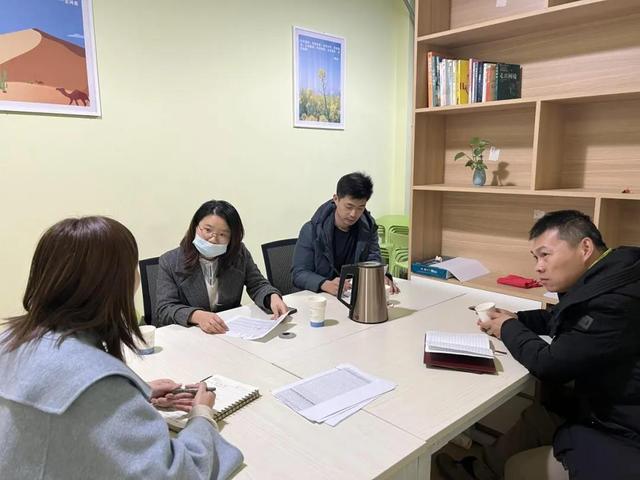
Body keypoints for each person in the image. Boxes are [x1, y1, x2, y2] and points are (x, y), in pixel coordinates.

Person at [0, 216, 243, 479]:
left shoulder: (9, 339)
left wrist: (132, 394)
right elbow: (176, 473)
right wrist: (202, 415)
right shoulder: (97, 382)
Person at [437, 210, 640, 480]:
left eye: (545, 255)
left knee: (520, 467)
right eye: (536, 258)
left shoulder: (617, 301)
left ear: (585, 248)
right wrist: (516, 318)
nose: (538, 267)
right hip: (607, 404)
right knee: (540, 416)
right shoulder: (614, 273)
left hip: (623, 431)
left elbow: (550, 364)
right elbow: (566, 319)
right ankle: (477, 472)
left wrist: (507, 328)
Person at [156, 200, 288, 333]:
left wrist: (272, 297)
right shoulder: (170, 261)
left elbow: (257, 284)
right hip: (191, 334)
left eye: (223, 234)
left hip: (229, 330)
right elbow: (164, 309)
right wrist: (196, 316)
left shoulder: (239, 253)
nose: (213, 239)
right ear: (195, 226)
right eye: (208, 230)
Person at [292, 171, 399, 296]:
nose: (354, 214)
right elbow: (298, 274)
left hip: (352, 296)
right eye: (349, 207)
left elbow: (373, 260)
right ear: (336, 199)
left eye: (360, 208)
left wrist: (381, 275)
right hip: (319, 297)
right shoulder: (312, 230)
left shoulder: (368, 227)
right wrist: (324, 283)